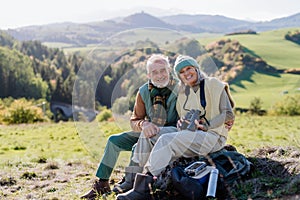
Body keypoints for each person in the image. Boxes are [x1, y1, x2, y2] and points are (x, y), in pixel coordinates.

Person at [117, 55, 235, 200]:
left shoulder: (213, 84)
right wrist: (181, 123)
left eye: (189, 68)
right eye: (182, 71)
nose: (186, 73)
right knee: (150, 134)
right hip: (189, 134)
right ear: (179, 76)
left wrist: (206, 124)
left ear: (196, 68)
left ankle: (144, 189)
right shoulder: (183, 93)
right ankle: (132, 180)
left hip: (212, 137)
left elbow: (229, 113)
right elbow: (183, 119)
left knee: (166, 140)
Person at [80, 54, 179, 200]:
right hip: (148, 131)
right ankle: (102, 183)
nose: (159, 75)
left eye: (163, 70)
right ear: (148, 74)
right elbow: (134, 120)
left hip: (169, 135)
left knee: (137, 146)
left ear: (169, 71)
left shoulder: (180, 89)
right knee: (114, 141)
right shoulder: (144, 91)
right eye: (155, 72)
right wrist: (143, 124)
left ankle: (130, 182)